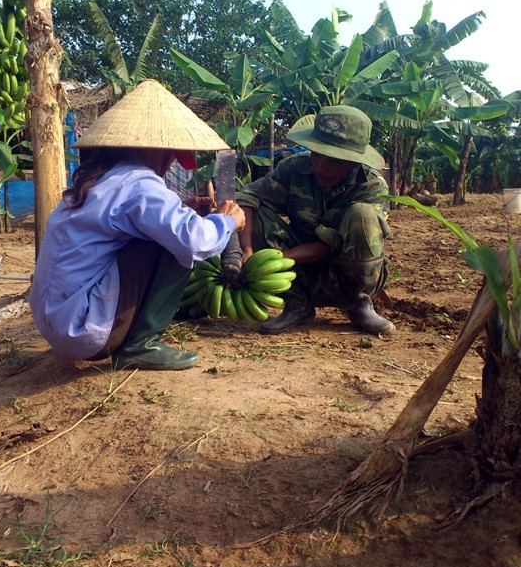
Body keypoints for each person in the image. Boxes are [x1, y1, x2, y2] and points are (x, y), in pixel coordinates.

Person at [29, 79, 245, 371]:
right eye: (170, 156)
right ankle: (138, 344)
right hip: (85, 332)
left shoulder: (100, 179)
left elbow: (122, 214)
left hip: (56, 325)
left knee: (164, 230)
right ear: (157, 149)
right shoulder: (140, 184)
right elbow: (194, 241)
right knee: (175, 244)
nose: (170, 166)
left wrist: (184, 207)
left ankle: (133, 337)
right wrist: (229, 221)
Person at [236, 105, 394, 336]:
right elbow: (247, 198)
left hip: (343, 274)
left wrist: (273, 261)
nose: (320, 168)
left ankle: (359, 305)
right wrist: (247, 252)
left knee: (364, 215)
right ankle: (297, 304)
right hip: (295, 274)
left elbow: (328, 245)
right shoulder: (295, 168)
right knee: (255, 212)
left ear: (354, 161)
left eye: (334, 162)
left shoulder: (371, 187)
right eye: (317, 155)